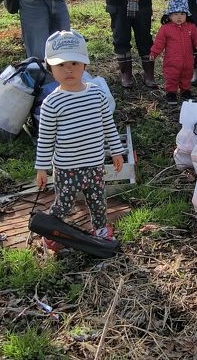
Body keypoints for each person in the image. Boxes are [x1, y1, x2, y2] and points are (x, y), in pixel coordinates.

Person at [35, 30, 124, 251]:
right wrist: (42, 168)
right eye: (61, 64)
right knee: (62, 204)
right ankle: (51, 232)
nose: (68, 69)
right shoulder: (52, 103)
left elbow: (108, 125)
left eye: (74, 63)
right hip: (67, 168)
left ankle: (101, 229)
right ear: (50, 69)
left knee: (98, 200)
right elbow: (45, 139)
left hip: (94, 164)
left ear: (84, 65)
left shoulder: (97, 95)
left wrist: (116, 150)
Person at [149, 0, 197, 105]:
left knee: (187, 75)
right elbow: (159, 42)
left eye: (182, 14)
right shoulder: (166, 29)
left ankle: (186, 92)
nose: (179, 17)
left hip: (188, 59)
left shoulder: (191, 27)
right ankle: (171, 93)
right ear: (169, 16)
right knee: (171, 76)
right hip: (172, 60)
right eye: (175, 14)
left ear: (186, 15)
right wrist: (154, 53)